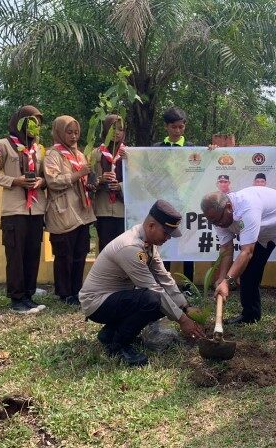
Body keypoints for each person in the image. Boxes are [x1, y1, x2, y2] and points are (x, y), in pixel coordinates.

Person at [79, 200, 205, 366]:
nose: (168, 238)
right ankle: (119, 346)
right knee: (152, 300)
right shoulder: (131, 247)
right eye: (166, 233)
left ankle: (110, 334)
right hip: (97, 303)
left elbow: (164, 278)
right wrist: (183, 320)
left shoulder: (148, 244)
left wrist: (185, 307)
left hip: (114, 299)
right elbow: (153, 289)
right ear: (151, 226)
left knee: (159, 302)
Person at [201, 187, 276, 340]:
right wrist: (222, 278)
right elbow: (226, 249)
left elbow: (247, 252)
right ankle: (250, 314)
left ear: (229, 207)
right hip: (263, 231)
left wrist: (227, 282)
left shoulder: (247, 206)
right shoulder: (218, 218)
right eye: (213, 222)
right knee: (248, 270)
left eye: (218, 220)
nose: (217, 225)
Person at [0, 105, 47, 314]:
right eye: (30, 123)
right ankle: (17, 299)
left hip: (36, 209)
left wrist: (41, 181)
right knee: (16, 255)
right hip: (14, 211)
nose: (34, 128)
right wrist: (15, 181)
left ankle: (29, 294)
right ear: (20, 123)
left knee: (32, 253)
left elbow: (47, 176)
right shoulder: (4, 145)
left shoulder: (39, 149)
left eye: (38, 124)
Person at [44, 116, 97, 305]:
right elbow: (53, 181)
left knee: (80, 253)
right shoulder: (53, 154)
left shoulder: (79, 155)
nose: (74, 136)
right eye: (69, 132)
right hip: (63, 210)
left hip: (81, 211)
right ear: (59, 132)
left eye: (76, 132)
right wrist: (79, 174)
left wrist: (90, 183)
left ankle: (77, 291)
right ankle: (64, 293)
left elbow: (82, 179)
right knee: (64, 254)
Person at [157, 106, 194, 285]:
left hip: (185, 201)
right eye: (174, 127)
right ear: (166, 127)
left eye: (181, 127)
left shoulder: (192, 149)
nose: (178, 131)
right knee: (164, 240)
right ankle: (165, 282)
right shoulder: (156, 149)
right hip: (164, 203)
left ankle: (189, 284)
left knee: (186, 242)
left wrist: (212, 150)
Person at [92, 114, 127, 252]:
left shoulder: (128, 154)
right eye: (112, 128)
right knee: (106, 249)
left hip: (123, 210)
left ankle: (122, 275)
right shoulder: (96, 154)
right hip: (103, 209)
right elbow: (87, 182)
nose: (116, 132)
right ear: (105, 130)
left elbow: (137, 182)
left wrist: (121, 186)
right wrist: (100, 179)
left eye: (120, 129)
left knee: (123, 249)